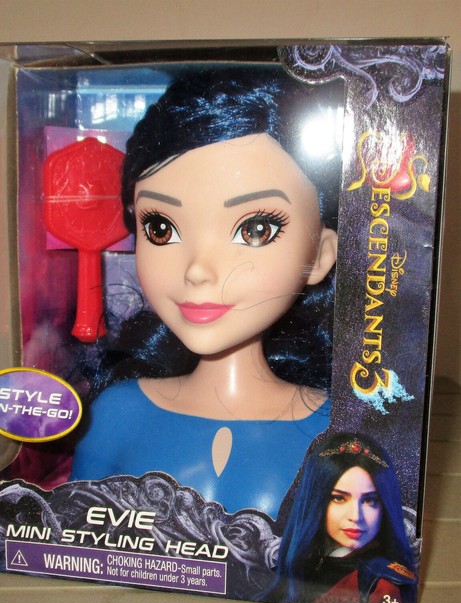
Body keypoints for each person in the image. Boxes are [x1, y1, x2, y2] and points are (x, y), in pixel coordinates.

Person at [70, 66, 340, 519]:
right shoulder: (115, 415)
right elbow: (65, 540)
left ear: (320, 255)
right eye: (160, 228)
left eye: (255, 229)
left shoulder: (339, 432)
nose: (197, 270)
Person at [267, 433, 417, 603]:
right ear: (315, 501)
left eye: (369, 500)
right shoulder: (292, 566)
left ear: (385, 506)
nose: (355, 516)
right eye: (339, 498)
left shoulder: (383, 584)